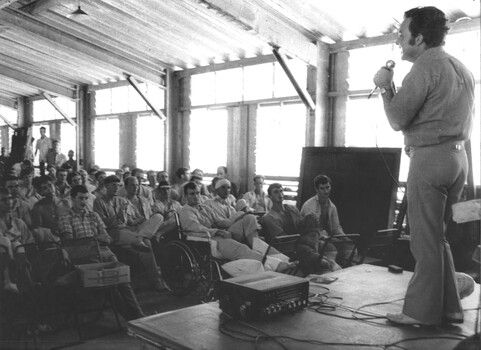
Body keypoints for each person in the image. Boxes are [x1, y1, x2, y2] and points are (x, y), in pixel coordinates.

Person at [372, 6, 475, 326]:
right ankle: (449, 308)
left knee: (423, 240)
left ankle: (419, 313)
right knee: (437, 237)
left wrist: (386, 86)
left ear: (419, 37)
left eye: (402, 36)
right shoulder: (461, 67)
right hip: (458, 159)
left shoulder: (423, 68)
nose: (399, 42)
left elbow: (398, 119)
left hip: (430, 160)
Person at [58, 185, 144, 320]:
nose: (84, 202)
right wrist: (96, 239)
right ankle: (131, 317)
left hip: (104, 252)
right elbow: (70, 242)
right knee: (112, 281)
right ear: (72, 199)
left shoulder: (93, 215)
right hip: (83, 256)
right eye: (80, 198)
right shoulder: (66, 217)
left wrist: (95, 239)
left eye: (86, 198)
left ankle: (138, 314)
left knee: (121, 277)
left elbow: (107, 238)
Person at [178, 182, 294, 275]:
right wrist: (217, 231)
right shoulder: (185, 210)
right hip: (207, 240)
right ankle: (276, 265)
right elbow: (196, 228)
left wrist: (240, 215)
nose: (196, 196)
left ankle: (279, 257)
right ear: (186, 196)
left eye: (197, 193)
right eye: (192, 194)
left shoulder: (204, 207)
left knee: (249, 218)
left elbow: (220, 221)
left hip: (220, 234)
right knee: (242, 248)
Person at [93, 175, 164, 291]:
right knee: (146, 245)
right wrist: (118, 216)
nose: (116, 188)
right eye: (113, 185)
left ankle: (141, 237)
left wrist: (136, 220)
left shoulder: (121, 200)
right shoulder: (99, 201)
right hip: (114, 232)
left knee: (158, 217)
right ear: (106, 186)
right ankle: (155, 280)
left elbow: (129, 220)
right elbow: (102, 223)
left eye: (118, 185)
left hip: (129, 229)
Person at [300, 175, 351, 266]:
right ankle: (327, 271)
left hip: (326, 238)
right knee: (330, 248)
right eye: (322, 188)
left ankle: (345, 271)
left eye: (327, 187)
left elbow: (336, 228)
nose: (326, 191)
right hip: (311, 240)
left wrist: (345, 237)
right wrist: (326, 237)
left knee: (349, 247)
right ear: (316, 189)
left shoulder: (332, 206)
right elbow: (311, 230)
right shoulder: (309, 205)